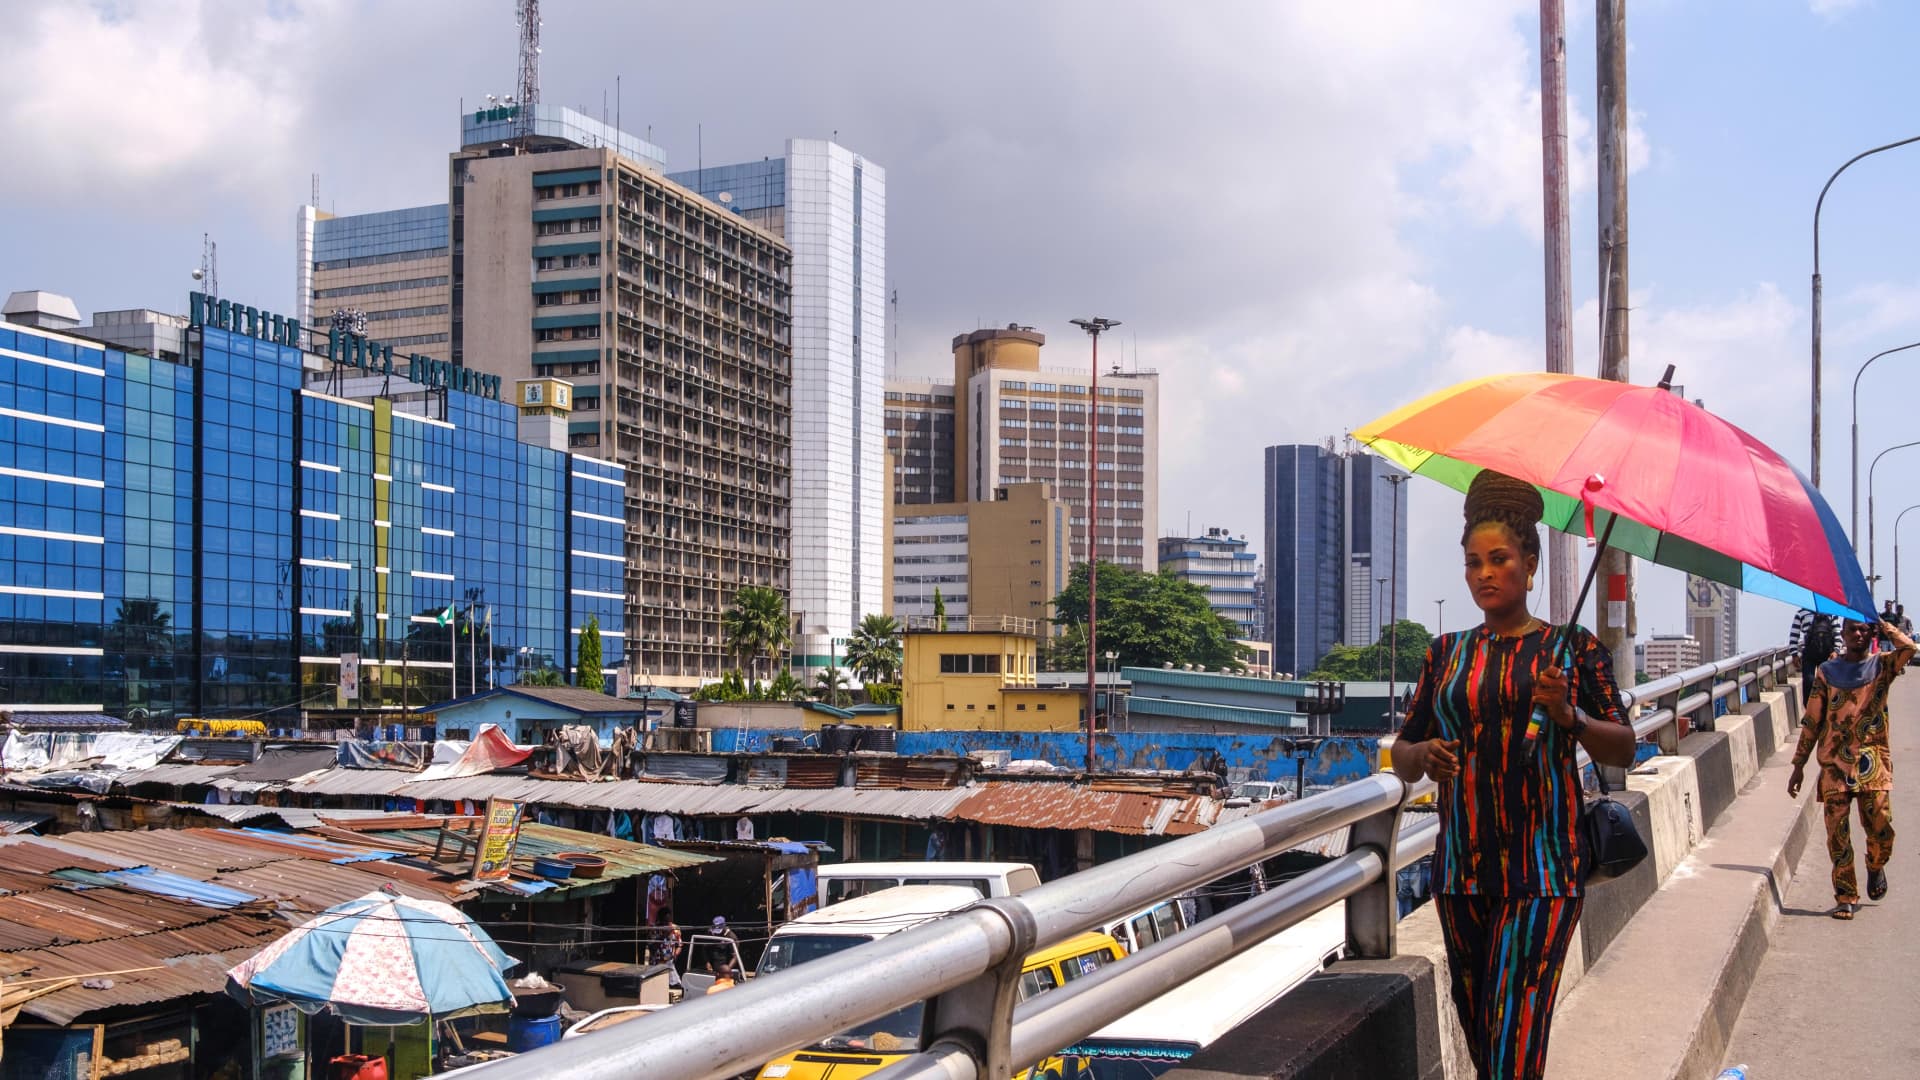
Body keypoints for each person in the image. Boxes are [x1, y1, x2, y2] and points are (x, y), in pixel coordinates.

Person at [1389, 470, 1637, 1080]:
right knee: (1480, 1030)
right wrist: (1427, 758)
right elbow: (1402, 748)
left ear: (1530, 564)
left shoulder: (1572, 649)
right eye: (1473, 562)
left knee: (1515, 1037)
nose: (1483, 574)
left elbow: (1626, 747)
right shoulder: (1444, 654)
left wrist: (1567, 714)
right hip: (1461, 871)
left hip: (1545, 870)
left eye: (1499, 559)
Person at [1788, 617, 1914, 919]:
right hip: (1834, 765)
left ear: (1870, 633)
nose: (1857, 634)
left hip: (1872, 762)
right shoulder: (1827, 673)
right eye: (1852, 629)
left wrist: (1886, 626)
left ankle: (1875, 864)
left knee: (1881, 826)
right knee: (1837, 834)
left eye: (1863, 629)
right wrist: (1799, 765)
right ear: (1842, 634)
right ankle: (1845, 895)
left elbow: (1909, 648)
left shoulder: (1883, 667)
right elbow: (1812, 721)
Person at [1790, 607, 1838, 705]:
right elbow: (1794, 634)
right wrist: (1794, 654)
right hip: (1809, 653)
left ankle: (1828, 707)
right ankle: (1809, 707)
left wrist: (1836, 650)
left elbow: (1837, 632)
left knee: (1828, 682)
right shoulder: (1801, 613)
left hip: (1827, 654)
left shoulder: (1831, 612)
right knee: (1809, 681)